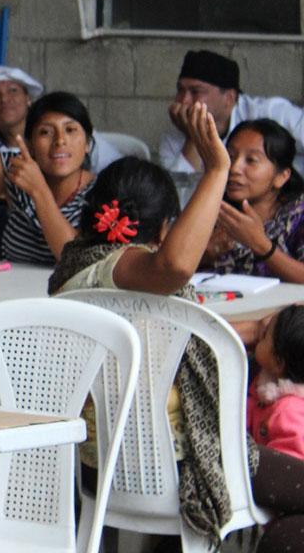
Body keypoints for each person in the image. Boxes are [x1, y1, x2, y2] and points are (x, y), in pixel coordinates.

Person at [49, 106, 304, 550]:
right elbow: (176, 265)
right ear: (165, 227)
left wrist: (256, 327)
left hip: (103, 463)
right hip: (176, 459)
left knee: (287, 529)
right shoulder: (126, 266)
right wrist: (215, 170)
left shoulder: (77, 268)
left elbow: (173, 332)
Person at [0, 41, 96, 265]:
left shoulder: (101, 192)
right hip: (14, 294)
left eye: (71, 130)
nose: (60, 141)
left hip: (65, 299)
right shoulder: (18, 170)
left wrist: (38, 190)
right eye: (45, 132)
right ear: (30, 144)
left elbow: (72, 257)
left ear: (88, 144)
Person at [162, 49, 304, 175]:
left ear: (229, 98)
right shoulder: (176, 133)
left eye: (196, 91)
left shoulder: (269, 112)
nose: (184, 101)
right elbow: (178, 195)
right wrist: (193, 137)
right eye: (180, 90)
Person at [0, 65, 123, 174]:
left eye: (13, 91)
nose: (4, 99)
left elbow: (117, 168)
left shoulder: (77, 134)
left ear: (28, 98)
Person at [204, 119, 304, 283]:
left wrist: (260, 244)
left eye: (251, 160)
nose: (235, 168)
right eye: (230, 156)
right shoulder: (215, 209)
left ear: (281, 177)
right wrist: (205, 254)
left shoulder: (298, 215)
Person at [246, 306, 304, 462]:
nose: (259, 338)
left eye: (265, 337)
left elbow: (285, 467)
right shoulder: (266, 383)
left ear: (278, 362)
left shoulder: (288, 411)